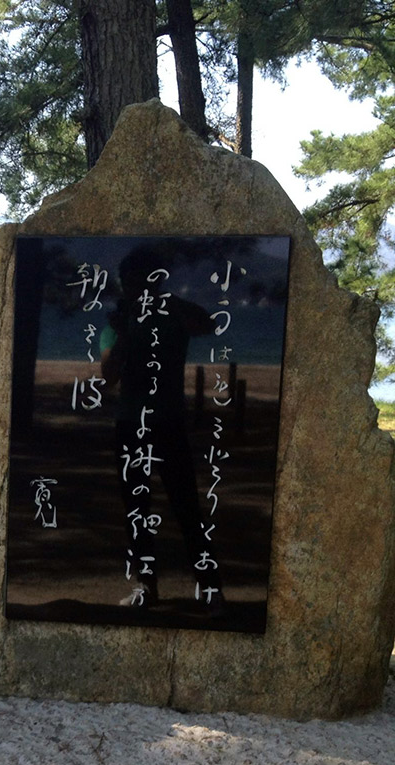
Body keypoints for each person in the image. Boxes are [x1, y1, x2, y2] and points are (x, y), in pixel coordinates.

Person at [99, 245, 223, 612]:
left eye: (142, 282)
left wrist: (164, 304)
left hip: (168, 422)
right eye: (130, 283)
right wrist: (125, 331)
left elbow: (208, 323)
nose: (135, 289)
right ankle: (147, 586)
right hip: (131, 423)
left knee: (186, 507)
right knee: (137, 509)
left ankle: (209, 586)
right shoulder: (117, 322)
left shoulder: (173, 314)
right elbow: (108, 376)